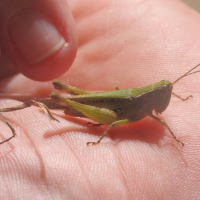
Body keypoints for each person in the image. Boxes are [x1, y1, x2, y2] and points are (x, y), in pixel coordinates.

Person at [0, 0, 200, 199]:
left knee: (113, 116)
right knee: (113, 118)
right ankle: (60, 100)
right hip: (111, 112)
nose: (166, 95)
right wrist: (100, 141)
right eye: (164, 92)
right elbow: (120, 120)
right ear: (154, 94)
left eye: (166, 92)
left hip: (113, 108)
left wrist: (182, 98)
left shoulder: (151, 95)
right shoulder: (143, 102)